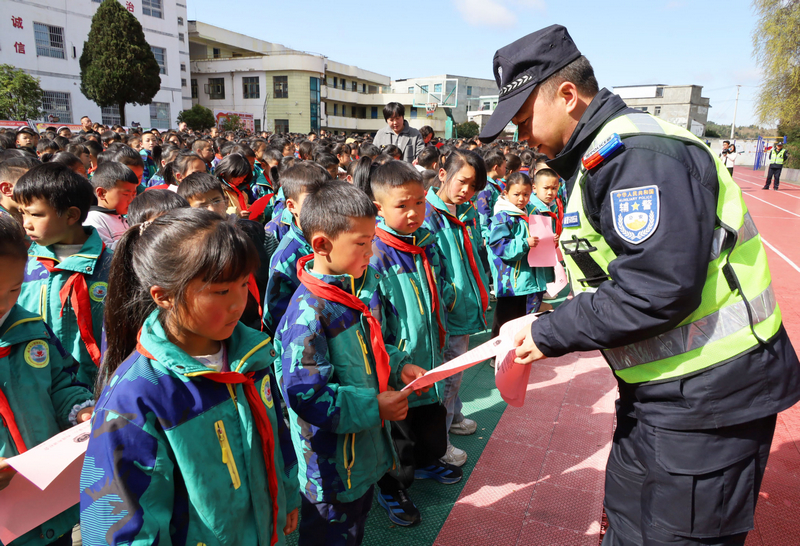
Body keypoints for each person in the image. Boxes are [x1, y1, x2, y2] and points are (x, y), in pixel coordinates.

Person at [479, 24, 800, 546]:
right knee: (628, 526)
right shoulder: (601, 158)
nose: (522, 140)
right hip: (663, 392)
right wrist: (543, 321)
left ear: (567, 95)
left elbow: (656, 288)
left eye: (522, 119)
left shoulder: (636, 156)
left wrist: (547, 332)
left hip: (708, 398)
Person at [80, 208, 300, 545]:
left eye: (244, 284)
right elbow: (119, 524)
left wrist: (286, 494)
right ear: (163, 295)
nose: (238, 303)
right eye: (221, 291)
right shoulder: (135, 398)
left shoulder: (251, 355)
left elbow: (275, 433)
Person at [275, 181, 427, 546]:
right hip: (330, 468)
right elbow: (308, 396)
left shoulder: (358, 288)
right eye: (361, 243)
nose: (371, 252)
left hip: (360, 452)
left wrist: (398, 363)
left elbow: (374, 346)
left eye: (371, 240)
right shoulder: (308, 315)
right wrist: (374, 406)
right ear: (322, 245)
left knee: (355, 526)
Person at [369, 161, 460, 527]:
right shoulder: (374, 255)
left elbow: (437, 288)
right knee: (398, 433)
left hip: (430, 353)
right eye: (402, 205)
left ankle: (425, 463)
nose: (414, 213)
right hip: (396, 365)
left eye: (420, 203)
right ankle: (391, 486)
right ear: (379, 208)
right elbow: (373, 322)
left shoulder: (424, 244)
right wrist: (393, 360)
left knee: (429, 419)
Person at [0, 214, 95, 546]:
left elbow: (61, 383)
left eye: (13, 289)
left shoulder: (30, 328)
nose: (3, 304)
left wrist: (81, 411)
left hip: (48, 504)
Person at [14, 163, 113, 388]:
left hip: (98, 388)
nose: (26, 223)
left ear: (71, 215)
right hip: (38, 387)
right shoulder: (23, 265)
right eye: (22, 213)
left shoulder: (113, 267)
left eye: (36, 214)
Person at [422, 149, 489, 465]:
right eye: (463, 181)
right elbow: (432, 267)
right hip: (447, 313)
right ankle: (441, 442)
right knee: (448, 378)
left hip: (460, 307)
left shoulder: (466, 211)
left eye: (474, 186)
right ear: (442, 172)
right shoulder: (428, 215)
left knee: (456, 373)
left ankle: (455, 416)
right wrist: (450, 297)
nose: (467, 190)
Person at [263, 163, 328, 337]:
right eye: (311, 200)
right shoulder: (285, 257)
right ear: (291, 206)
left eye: (325, 198)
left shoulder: (333, 235)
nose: (320, 206)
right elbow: (277, 320)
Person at [488, 172, 552, 339]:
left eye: (526, 194)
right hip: (511, 281)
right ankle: (498, 357)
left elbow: (539, 238)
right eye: (516, 194)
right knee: (506, 321)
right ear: (505, 193)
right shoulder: (502, 216)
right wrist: (524, 243)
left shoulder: (533, 212)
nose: (521, 199)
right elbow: (499, 246)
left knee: (527, 320)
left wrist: (550, 240)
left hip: (532, 278)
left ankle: (520, 356)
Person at [83, 161, 139, 248]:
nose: (131, 200)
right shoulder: (93, 220)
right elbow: (105, 251)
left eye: (134, 194)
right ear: (102, 193)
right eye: (126, 194)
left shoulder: (124, 217)